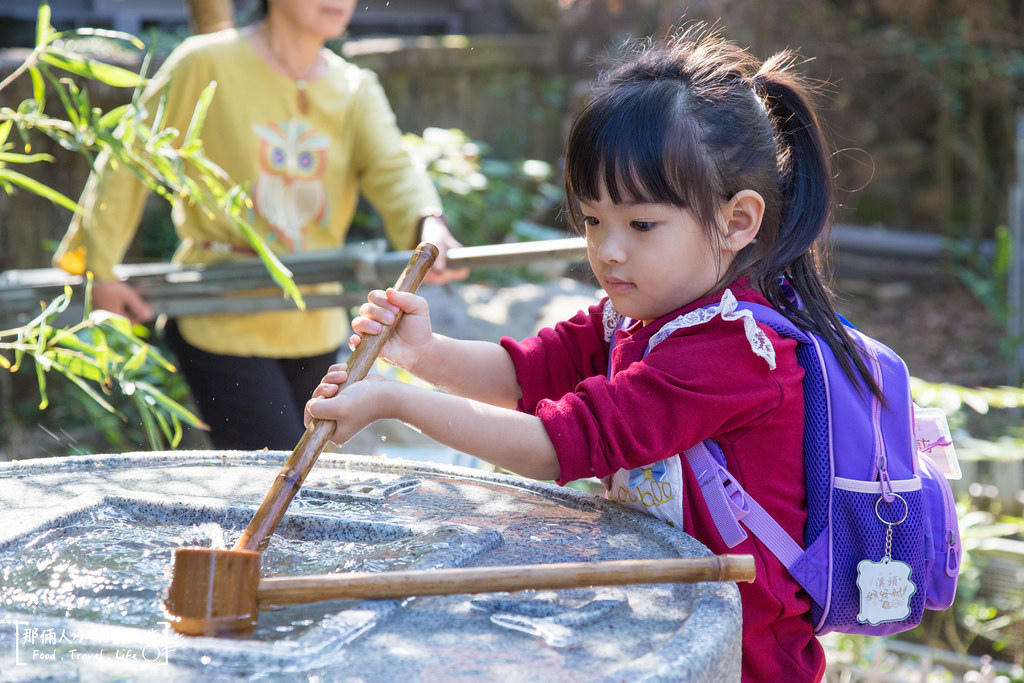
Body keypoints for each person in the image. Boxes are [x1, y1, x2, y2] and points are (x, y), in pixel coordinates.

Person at [306, 26, 884, 681]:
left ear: (738, 220)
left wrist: (396, 400)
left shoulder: (736, 351)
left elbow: (560, 444)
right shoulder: (639, 316)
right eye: (591, 219)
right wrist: (425, 353)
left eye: (641, 225)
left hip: (739, 656)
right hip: (666, 628)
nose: (609, 250)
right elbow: (529, 373)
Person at [53, 0, 466, 451]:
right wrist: (101, 266)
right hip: (221, 309)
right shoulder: (205, 60)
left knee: (301, 474)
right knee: (271, 471)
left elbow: (394, 170)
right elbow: (129, 156)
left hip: (314, 313)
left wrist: (430, 224)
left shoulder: (355, 86)